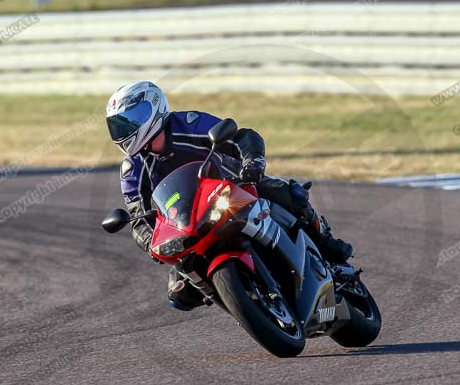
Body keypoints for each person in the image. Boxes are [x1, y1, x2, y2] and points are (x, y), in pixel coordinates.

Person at [106, 81, 353, 311]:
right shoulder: (132, 170)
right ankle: (247, 304)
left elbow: (241, 137)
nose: (126, 131)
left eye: (131, 121)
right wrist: (152, 244)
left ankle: (325, 242)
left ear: (155, 109)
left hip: (234, 188)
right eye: (120, 126)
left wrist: (252, 163)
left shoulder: (188, 124)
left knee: (290, 194)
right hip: (189, 225)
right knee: (179, 294)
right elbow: (138, 217)